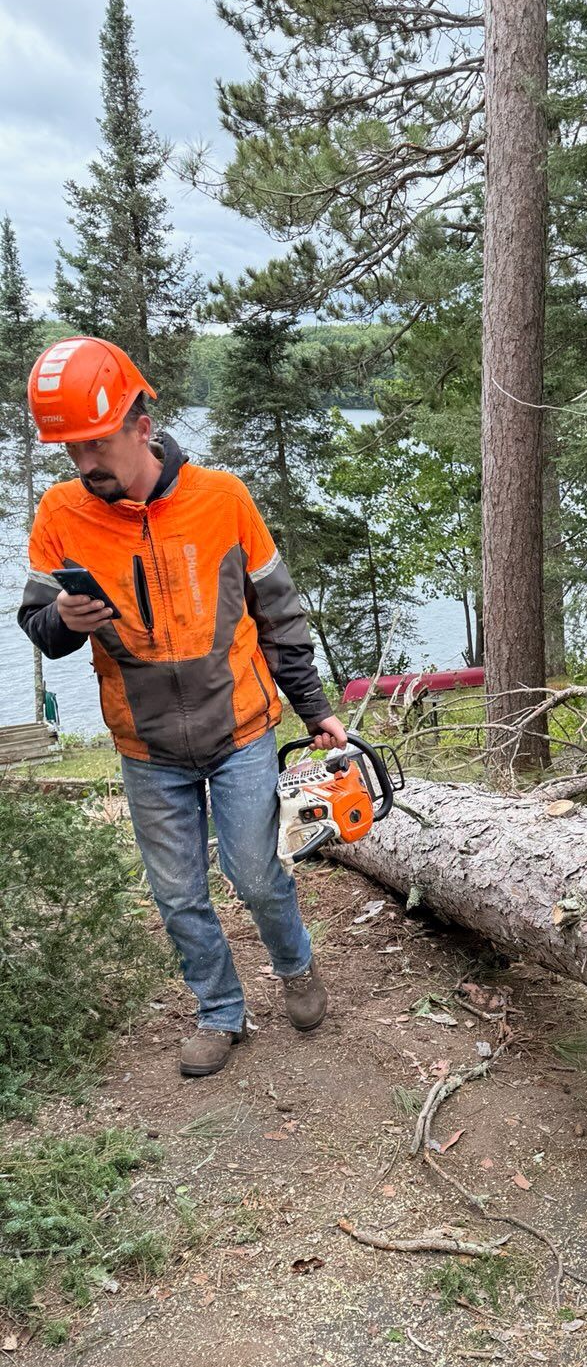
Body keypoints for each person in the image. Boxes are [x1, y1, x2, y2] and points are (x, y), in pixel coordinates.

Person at [18, 335, 346, 1078]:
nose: (84, 465)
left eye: (95, 444)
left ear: (141, 424)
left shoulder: (221, 499)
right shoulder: (62, 513)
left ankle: (296, 968)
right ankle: (220, 1012)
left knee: (258, 873)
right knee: (176, 894)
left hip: (239, 728)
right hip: (145, 743)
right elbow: (37, 623)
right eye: (71, 450)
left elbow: (280, 615)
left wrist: (314, 707)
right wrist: (65, 623)